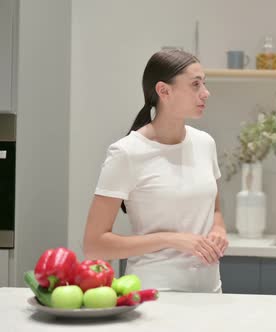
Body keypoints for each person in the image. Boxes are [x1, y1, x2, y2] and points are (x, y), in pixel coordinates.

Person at [83, 49, 228, 292]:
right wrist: (171, 239)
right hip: (154, 296)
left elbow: (215, 210)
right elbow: (95, 245)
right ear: (164, 91)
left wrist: (219, 230)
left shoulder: (205, 144)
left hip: (210, 293)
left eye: (204, 83)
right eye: (195, 84)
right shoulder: (126, 152)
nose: (206, 92)